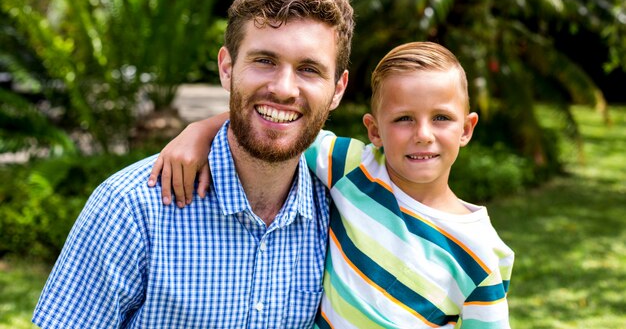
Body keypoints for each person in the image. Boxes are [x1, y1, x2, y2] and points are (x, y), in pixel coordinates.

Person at [32, 0, 355, 328]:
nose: (283, 88)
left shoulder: (345, 212)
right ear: (226, 68)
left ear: (338, 90)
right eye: (265, 61)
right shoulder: (132, 208)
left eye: (309, 69)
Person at [149, 41, 515, 328]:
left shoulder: (481, 255)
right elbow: (276, 125)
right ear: (374, 130)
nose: (423, 135)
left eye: (441, 118)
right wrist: (199, 131)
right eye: (403, 119)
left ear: (466, 129)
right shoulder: (352, 168)